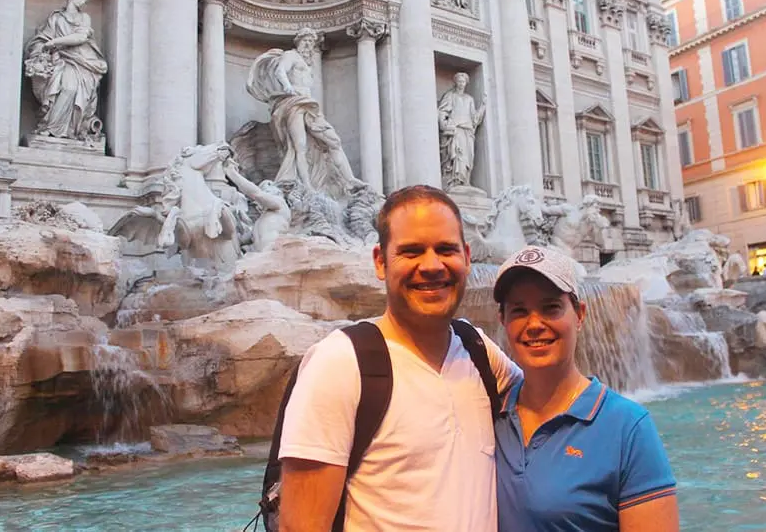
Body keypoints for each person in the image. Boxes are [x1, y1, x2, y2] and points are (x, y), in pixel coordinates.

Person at [277, 185, 521, 531]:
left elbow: (546, 402)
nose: (432, 265)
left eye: (446, 249)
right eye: (411, 251)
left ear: (467, 256)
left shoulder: (478, 350)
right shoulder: (338, 363)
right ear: (380, 261)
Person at [492, 245, 680, 532]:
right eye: (519, 310)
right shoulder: (490, 413)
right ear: (502, 320)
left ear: (579, 314)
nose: (534, 324)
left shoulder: (628, 428)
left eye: (550, 307)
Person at [246, 27, 361, 196]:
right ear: (298, 41)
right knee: (299, 146)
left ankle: (350, 179)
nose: (308, 45)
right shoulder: (291, 56)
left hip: (309, 105)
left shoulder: (308, 64)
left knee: (333, 141)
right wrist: (288, 87)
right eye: (305, 41)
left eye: (311, 42)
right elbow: (280, 70)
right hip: (293, 103)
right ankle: (307, 186)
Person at [24, 0, 108, 143]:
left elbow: (81, 38)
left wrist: (54, 42)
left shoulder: (84, 18)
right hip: (60, 58)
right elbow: (42, 38)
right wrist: (41, 49)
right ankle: (50, 127)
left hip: (81, 60)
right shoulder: (56, 18)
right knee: (60, 85)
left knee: (71, 88)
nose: (83, 2)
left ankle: (66, 130)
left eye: (85, 0)